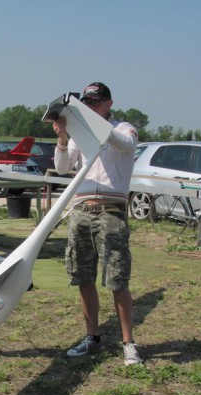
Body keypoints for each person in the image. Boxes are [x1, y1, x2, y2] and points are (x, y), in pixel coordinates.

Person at [53, 82, 142, 366]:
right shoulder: (81, 135)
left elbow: (124, 143)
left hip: (112, 211)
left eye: (95, 102)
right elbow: (63, 168)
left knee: (117, 278)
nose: (91, 107)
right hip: (81, 209)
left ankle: (129, 343)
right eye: (87, 103)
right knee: (83, 275)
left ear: (109, 103)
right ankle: (92, 336)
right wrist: (63, 139)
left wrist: (88, 121)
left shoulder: (123, 129)